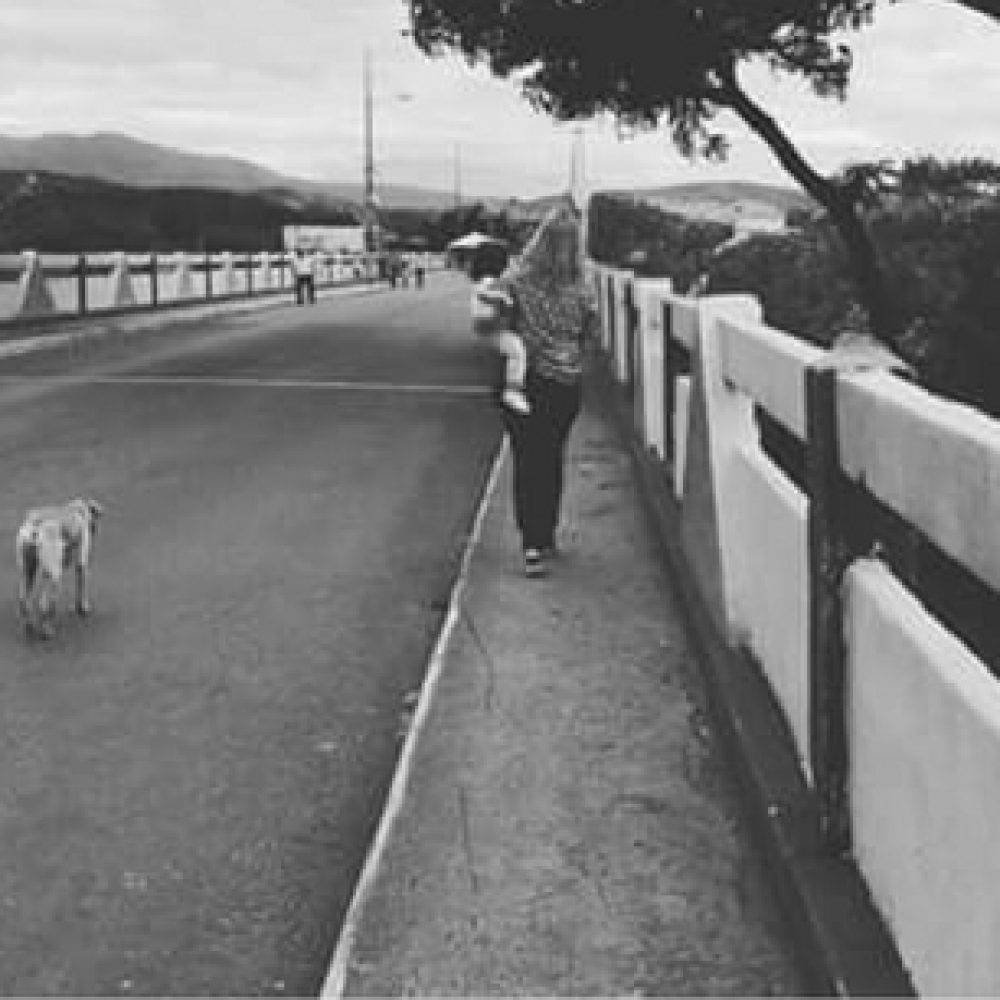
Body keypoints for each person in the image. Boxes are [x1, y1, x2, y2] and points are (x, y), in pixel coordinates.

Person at [488, 201, 596, 578]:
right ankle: (546, 532)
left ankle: (531, 541)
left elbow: (493, 320)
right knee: (551, 457)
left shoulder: (516, 281)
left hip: (526, 380)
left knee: (527, 459)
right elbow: (588, 336)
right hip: (564, 385)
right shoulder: (583, 289)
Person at [470, 246, 530, 416]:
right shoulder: (490, 281)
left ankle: (504, 388)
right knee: (517, 351)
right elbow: (489, 295)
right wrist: (506, 300)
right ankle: (512, 390)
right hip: (491, 325)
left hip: (490, 325)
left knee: (507, 354)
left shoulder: (487, 280)